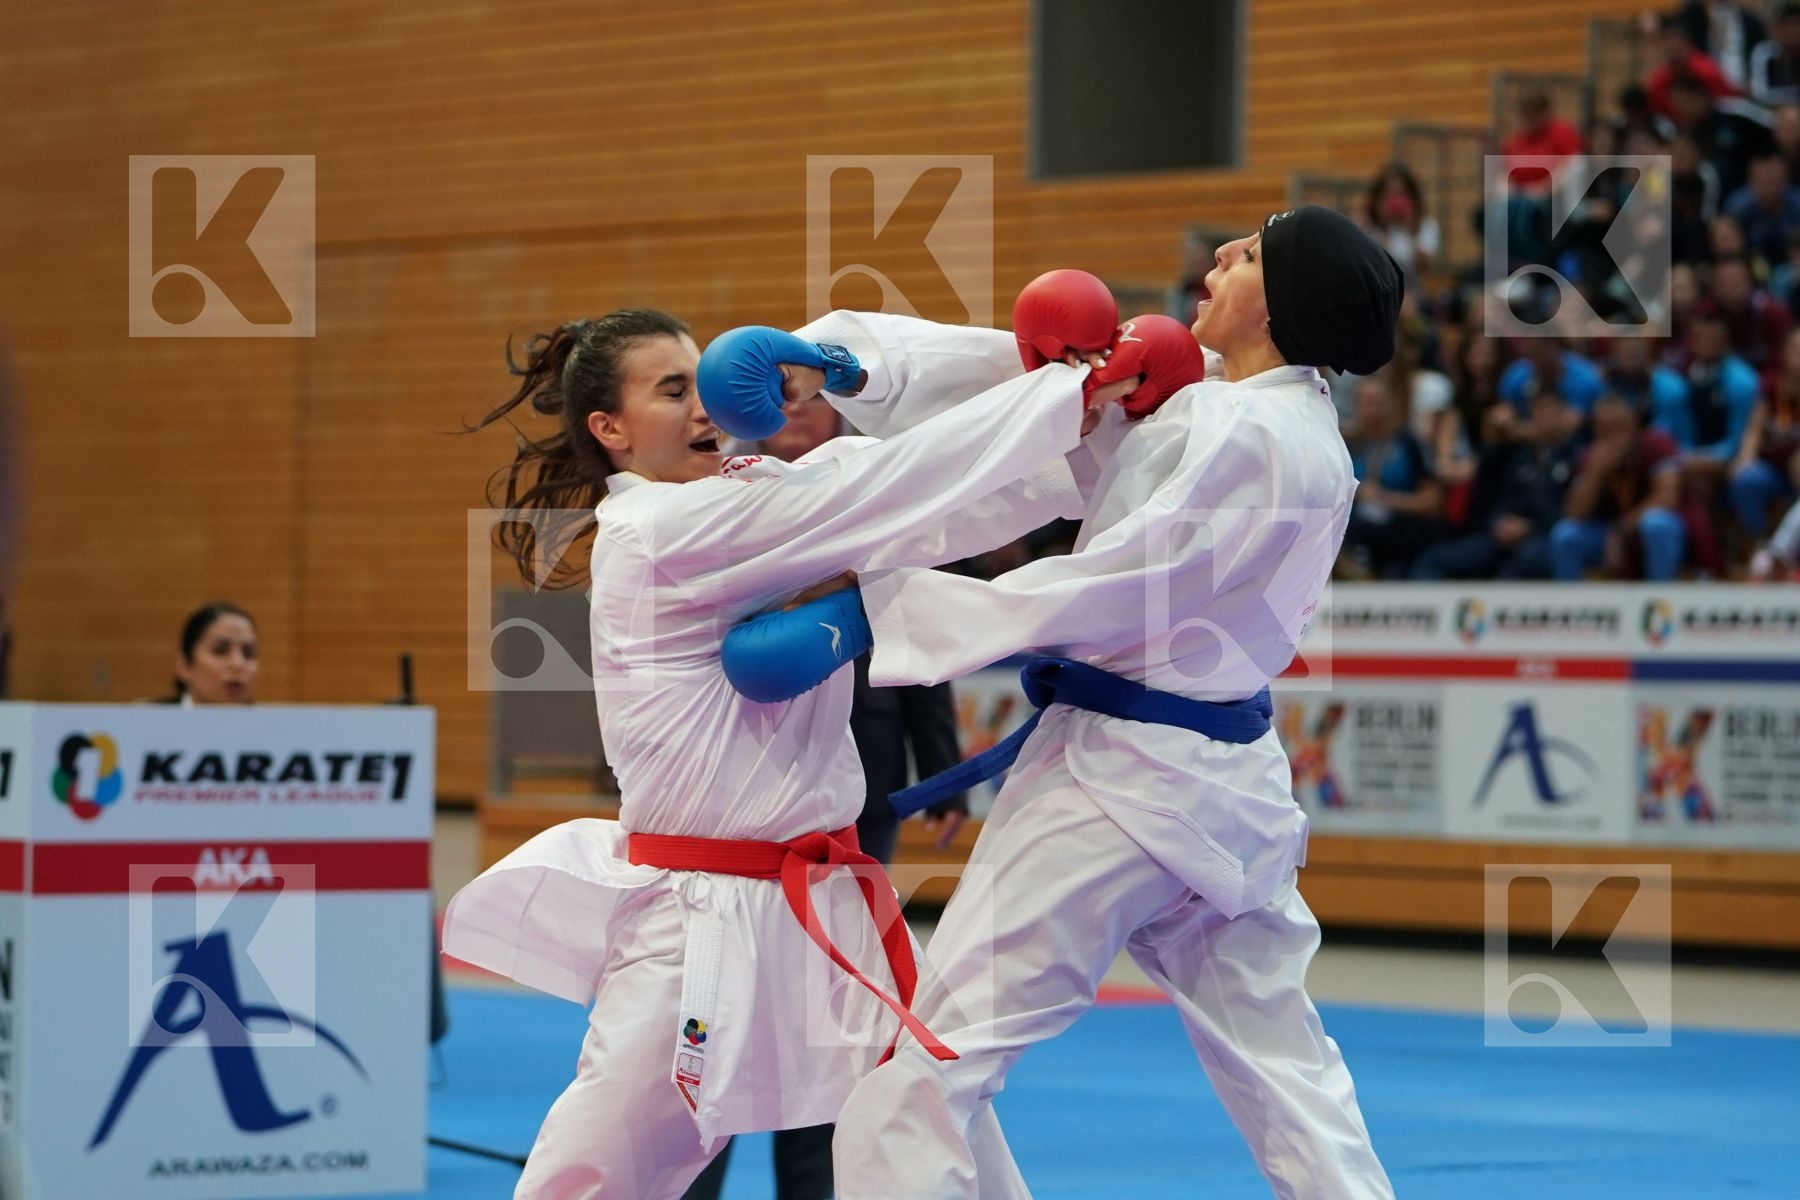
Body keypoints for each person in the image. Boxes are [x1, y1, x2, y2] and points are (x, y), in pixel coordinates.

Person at [442, 306, 1135, 1199]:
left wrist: (1091, 430)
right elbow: (877, 491)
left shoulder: (744, 495)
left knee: (928, 1127)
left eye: (702, 381)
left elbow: (908, 507)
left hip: (823, 902)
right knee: (595, 1176)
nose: (705, 406)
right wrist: (1057, 396)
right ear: (609, 431)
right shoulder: (660, 533)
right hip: (704, 918)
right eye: (671, 389)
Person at [808, 206, 1400, 1198]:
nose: (1217, 256)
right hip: (1225, 795)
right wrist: (860, 364)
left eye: (1249, 255)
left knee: (929, 1063)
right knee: (1289, 1079)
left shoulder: (1256, 434)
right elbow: (1068, 427)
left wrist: (889, 613)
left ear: (1284, 306)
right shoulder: (1250, 412)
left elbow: (1123, 583)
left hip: (1119, 790)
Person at [678, 386, 970, 1200]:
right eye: (783, 406)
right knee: (720, 1016)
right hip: (736, 783)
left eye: (814, 405)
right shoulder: (718, 505)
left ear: (842, 420)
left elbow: (919, 646)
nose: (800, 416)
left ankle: (814, 1188)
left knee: (826, 1011)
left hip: (855, 789)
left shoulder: (875, 506)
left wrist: (940, 775)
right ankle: (693, 1180)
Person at [1410, 390, 1577, 580]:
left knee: (1522, 564)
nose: (1542, 418)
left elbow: (1572, 513)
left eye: (1549, 411)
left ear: (1563, 415)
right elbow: (1494, 500)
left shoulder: (1574, 455)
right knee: (1433, 560)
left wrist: (1530, 528)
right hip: (1501, 538)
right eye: (1537, 411)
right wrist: (1499, 523)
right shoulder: (1518, 456)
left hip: (1544, 538)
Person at [1550, 394, 1687, 580]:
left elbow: (1667, 498)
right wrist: (1595, 473)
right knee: (1565, 535)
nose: (1614, 437)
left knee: (1657, 524)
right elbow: (1574, 514)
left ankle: (1660, 599)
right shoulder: (1589, 457)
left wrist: (1619, 530)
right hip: (1605, 533)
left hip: (1643, 530)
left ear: (1633, 424)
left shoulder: (1657, 443)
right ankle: (1572, 604)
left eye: (1619, 428)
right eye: (1605, 430)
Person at [160, 602, 258, 705]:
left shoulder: (267, 720)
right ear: (184, 666)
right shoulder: (149, 718)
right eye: (220, 650)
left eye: (248, 653)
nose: (238, 664)